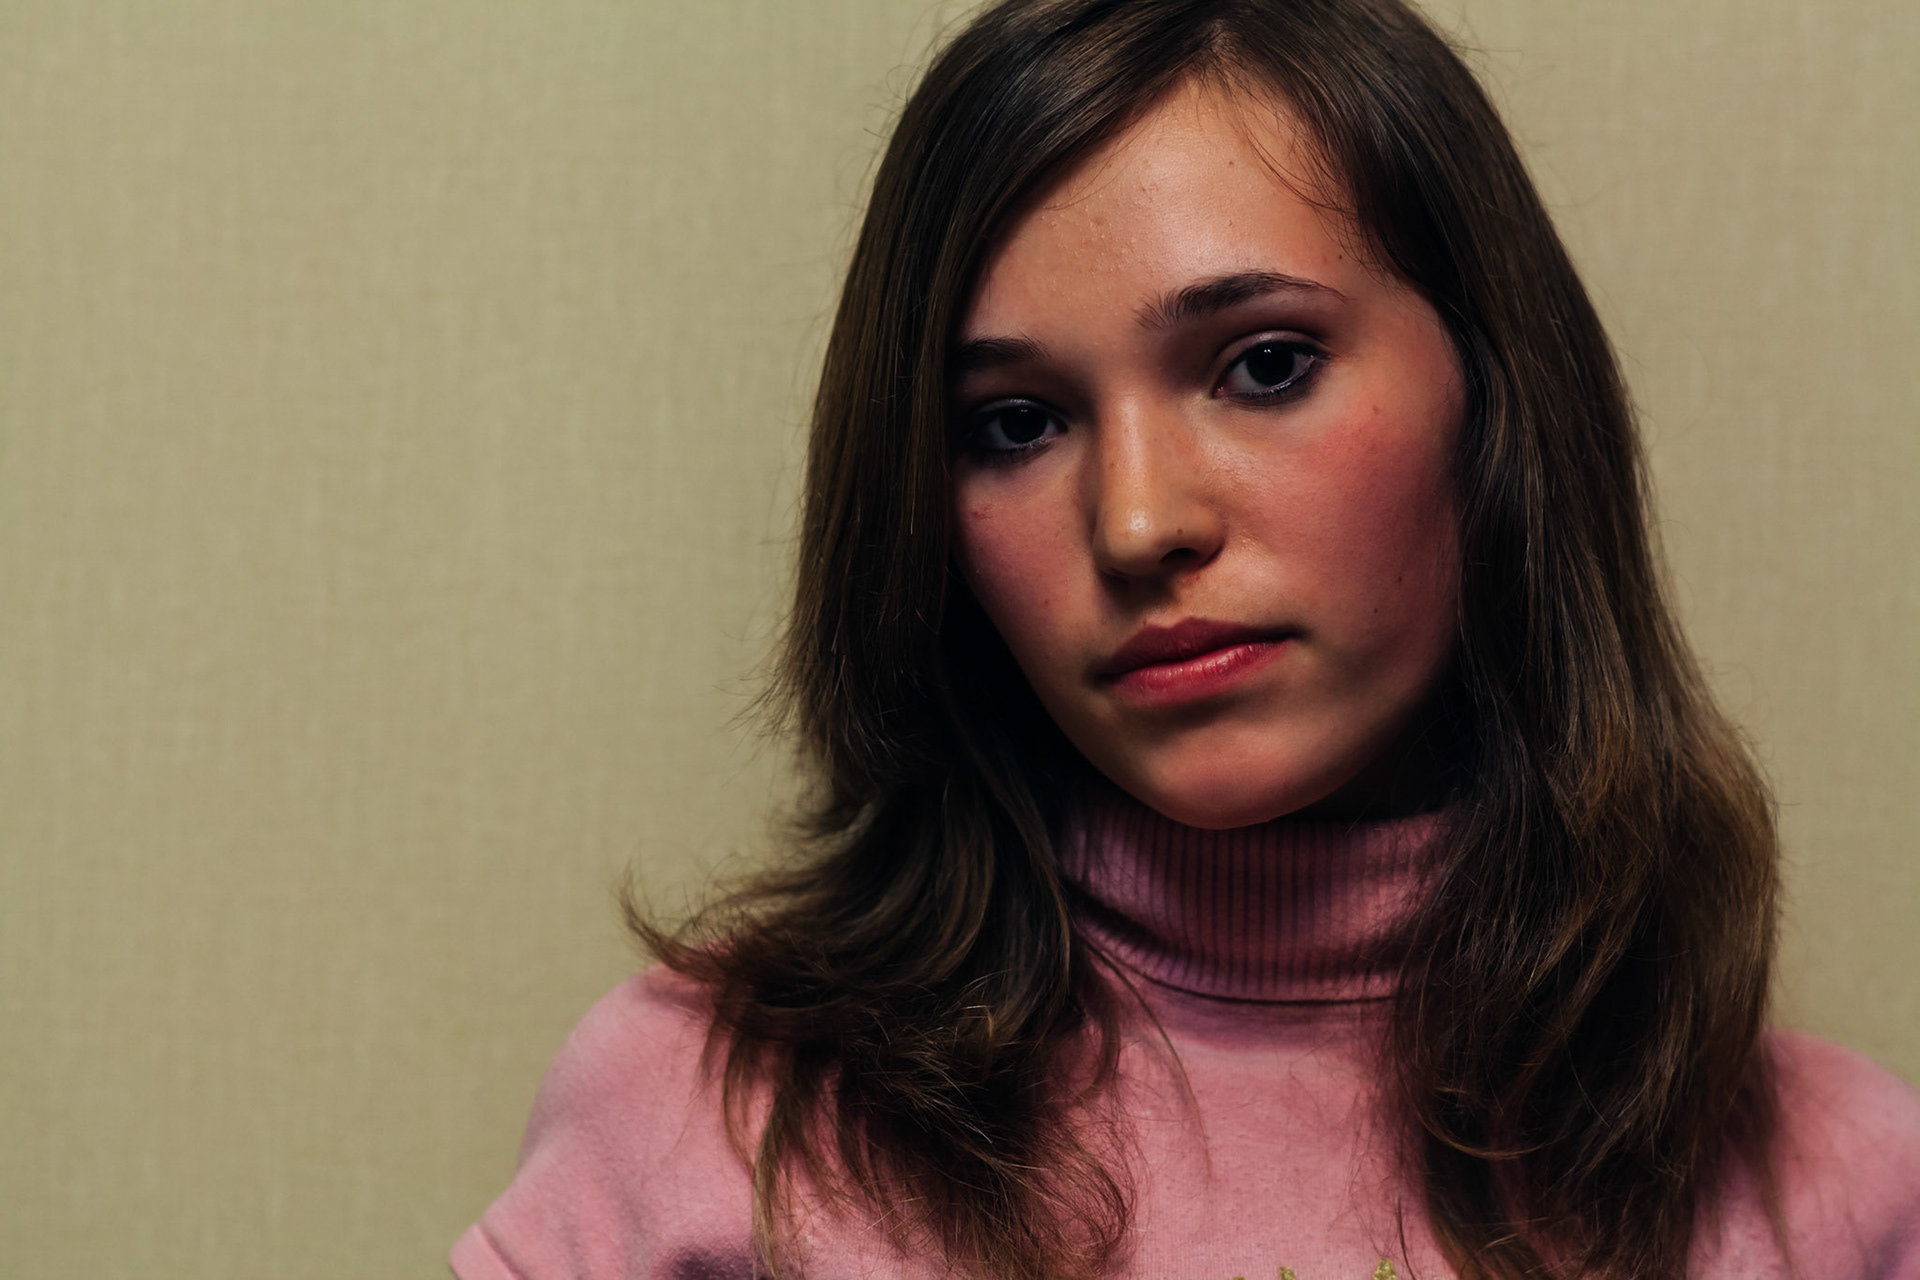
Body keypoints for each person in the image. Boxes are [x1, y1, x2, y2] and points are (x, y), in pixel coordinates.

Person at [452, 1, 1920, 1277]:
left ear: (1497, 399)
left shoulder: (1848, 1192)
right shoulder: (704, 1118)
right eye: (1015, 423)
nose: (1139, 520)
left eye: (1264, 366)